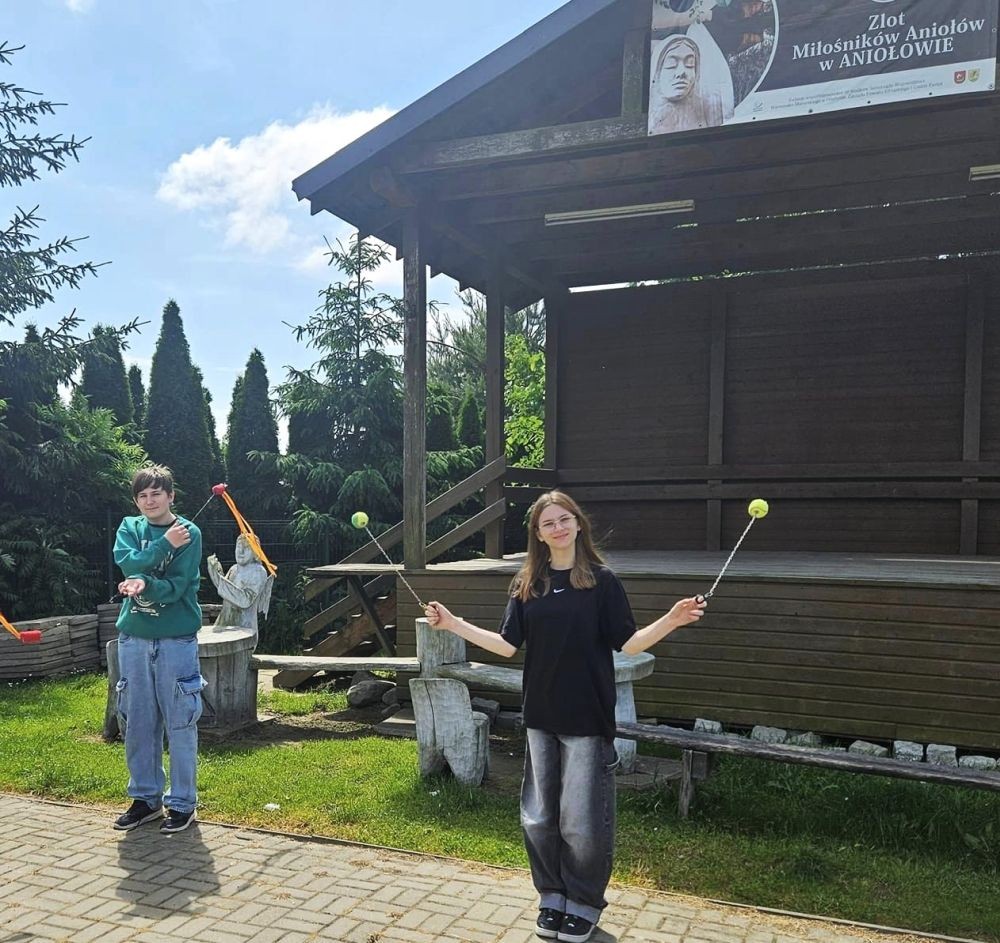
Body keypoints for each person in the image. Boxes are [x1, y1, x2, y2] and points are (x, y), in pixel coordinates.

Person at [425, 491, 705, 943]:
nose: (557, 528)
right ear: (537, 534)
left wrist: (672, 619)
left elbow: (628, 643)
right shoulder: (526, 584)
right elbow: (506, 645)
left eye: (564, 519)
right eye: (547, 523)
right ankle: (552, 896)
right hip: (540, 715)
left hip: (587, 718)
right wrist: (453, 623)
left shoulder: (601, 581)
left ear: (578, 524)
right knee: (539, 816)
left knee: (580, 821)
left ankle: (584, 902)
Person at [112, 465, 205, 834]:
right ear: (137, 500)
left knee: (180, 722)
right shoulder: (129, 528)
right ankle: (145, 800)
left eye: (156, 494)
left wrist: (143, 584)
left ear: (171, 496)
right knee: (138, 722)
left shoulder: (190, 532)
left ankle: (182, 804)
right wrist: (164, 546)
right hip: (133, 639)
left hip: (176, 639)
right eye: (142, 496)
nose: (149, 501)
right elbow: (128, 562)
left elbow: (180, 586)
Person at [648, 27, 735, 135]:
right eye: (671, 65)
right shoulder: (652, 120)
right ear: (657, 72)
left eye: (690, 64)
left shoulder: (706, 113)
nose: (681, 73)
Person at [206, 534, 273, 635]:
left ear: (255, 552)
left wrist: (219, 580)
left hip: (244, 628)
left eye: (246, 548)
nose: (241, 551)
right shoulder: (234, 569)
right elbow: (226, 592)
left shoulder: (258, 571)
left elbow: (245, 600)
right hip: (224, 623)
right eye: (238, 546)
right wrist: (216, 573)